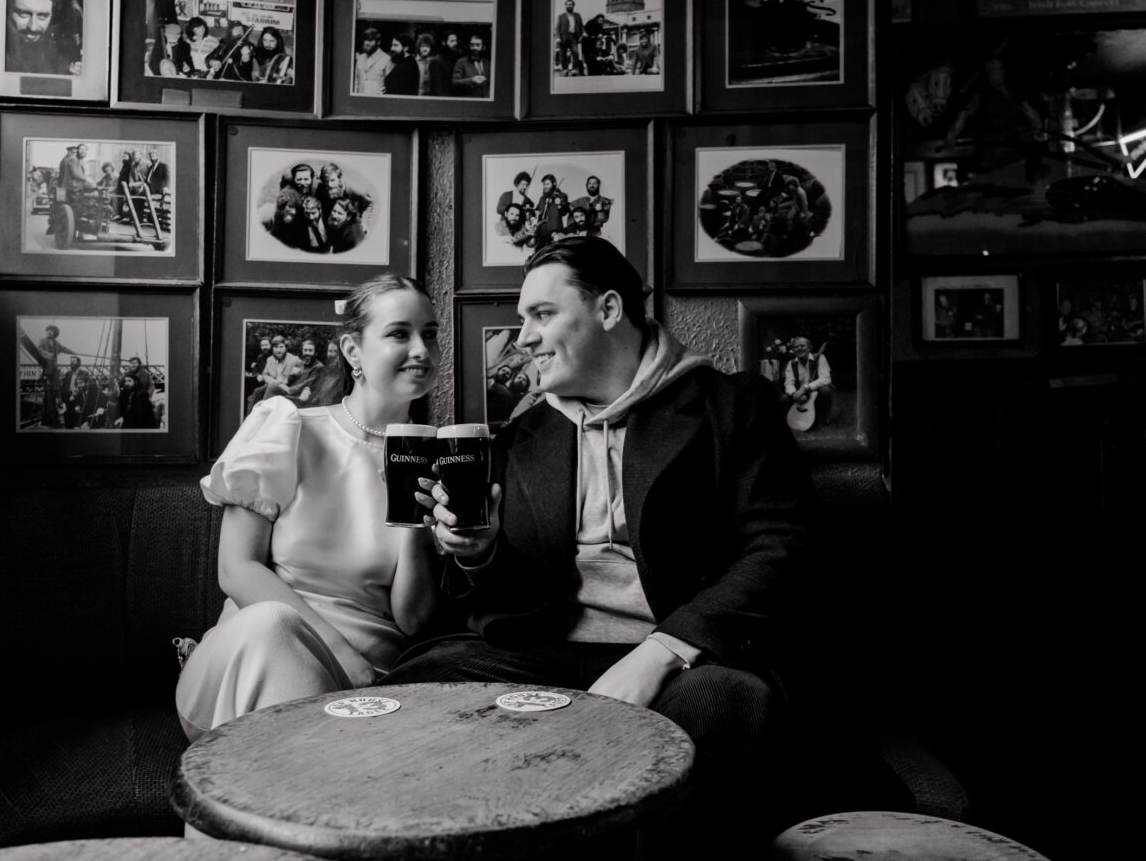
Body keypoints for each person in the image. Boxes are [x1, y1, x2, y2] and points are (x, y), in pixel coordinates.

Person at [379, 236, 815, 854]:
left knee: (727, 703)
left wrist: (661, 652)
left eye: (542, 314)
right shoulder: (522, 435)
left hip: (685, 658)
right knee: (419, 686)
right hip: (545, 651)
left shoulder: (732, 406)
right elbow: (511, 596)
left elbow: (782, 547)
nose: (523, 338)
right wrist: (479, 551)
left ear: (608, 309)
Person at [175, 275, 443, 740]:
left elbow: (413, 620)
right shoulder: (288, 428)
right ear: (353, 351)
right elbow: (236, 570)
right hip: (247, 668)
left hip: (371, 679)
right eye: (400, 334)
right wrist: (339, 652)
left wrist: (415, 515)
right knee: (272, 624)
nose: (421, 349)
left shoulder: (441, 456)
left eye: (431, 334)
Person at [4, 0, 74, 75]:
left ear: (52, 16)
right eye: (23, 14)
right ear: (7, 11)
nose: (33, 28)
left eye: (42, 16)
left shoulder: (61, 56)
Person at [782, 336, 832, 428]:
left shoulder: (820, 358)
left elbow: (825, 378)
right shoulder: (791, 363)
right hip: (799, 394)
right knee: (784, 398)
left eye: (802, 346)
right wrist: (794, 394)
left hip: (816, 392)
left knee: (826, 390)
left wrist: (805, 388)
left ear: (809, 348)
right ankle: (791, 417)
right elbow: (788, 383)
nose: (799, 348)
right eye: (796, 347)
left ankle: (825, 416)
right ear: (793, 350)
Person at [354, 27, 391, 95]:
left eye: (370, 40)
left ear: (378, 42)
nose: (366, 43)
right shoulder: (360, 58)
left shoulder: (387, 59)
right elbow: (356, 81)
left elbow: (389, 86)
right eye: (365, 40)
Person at [555, 0, 584, 75]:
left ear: (573, 6)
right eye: (568, 4)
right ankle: (565, 70)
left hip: (573, 36)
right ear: (565, 5)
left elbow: (581, 26)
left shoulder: (577, 15)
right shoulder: (561, 16)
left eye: (571, 4)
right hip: (563, 37)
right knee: (563, 54)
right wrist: (558, 37)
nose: (569, 6)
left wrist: (582, 34)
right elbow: (557, 28)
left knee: (576, 52)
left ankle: (574, 69)